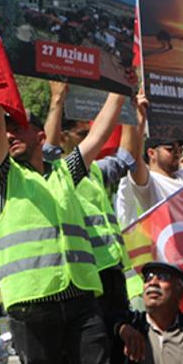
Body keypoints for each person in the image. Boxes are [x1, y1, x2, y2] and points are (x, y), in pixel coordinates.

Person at [0, 91, 124, 364]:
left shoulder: (64, 173)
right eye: (6, 129)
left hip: (81, 299)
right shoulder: (2, 179)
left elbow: (98, 135)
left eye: (18, 127)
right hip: (31, 307)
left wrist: (119, 89)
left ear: (41, 136)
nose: (9, 135)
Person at [43, 80, 142, 312]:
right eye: (81, 134)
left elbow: (125, 159)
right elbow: (48, 151)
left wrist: (130, 111)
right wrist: (56, 99)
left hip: (114, 270)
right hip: (87, 275)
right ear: (63, 136)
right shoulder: (53, 175)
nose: (90, 138)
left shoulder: (95, 170)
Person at [114, 114, 183, 227]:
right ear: (152, 153)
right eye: (170, 149)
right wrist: (137, 117)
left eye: (179, 149)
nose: (178, 154)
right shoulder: (150, 182)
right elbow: (134, 158)